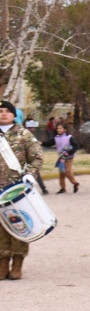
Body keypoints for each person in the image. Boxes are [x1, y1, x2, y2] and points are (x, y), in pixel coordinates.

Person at [0, 101, 43, 280]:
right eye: (0, 111)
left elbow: (37, 157)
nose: (3, 114)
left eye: (6, 111)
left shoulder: (24, 134)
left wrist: (31, 174)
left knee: (19, 224)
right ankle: (2, 265)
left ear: (13, 114)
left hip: (16, 189)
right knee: (0, 227)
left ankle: (17, 264)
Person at [41, 124, 80, 193]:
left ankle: (75, 183)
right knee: (61, 172)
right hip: (62, 157)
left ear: (65, 129)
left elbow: (76, 146)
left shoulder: (69, 137)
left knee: (67, 172)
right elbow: (48, 144)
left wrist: (70, 152)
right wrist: (41, 143)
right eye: (58, 128)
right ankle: (63, 188)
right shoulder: (56, 137)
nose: (58, 130)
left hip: (69, 157)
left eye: (60, 128)